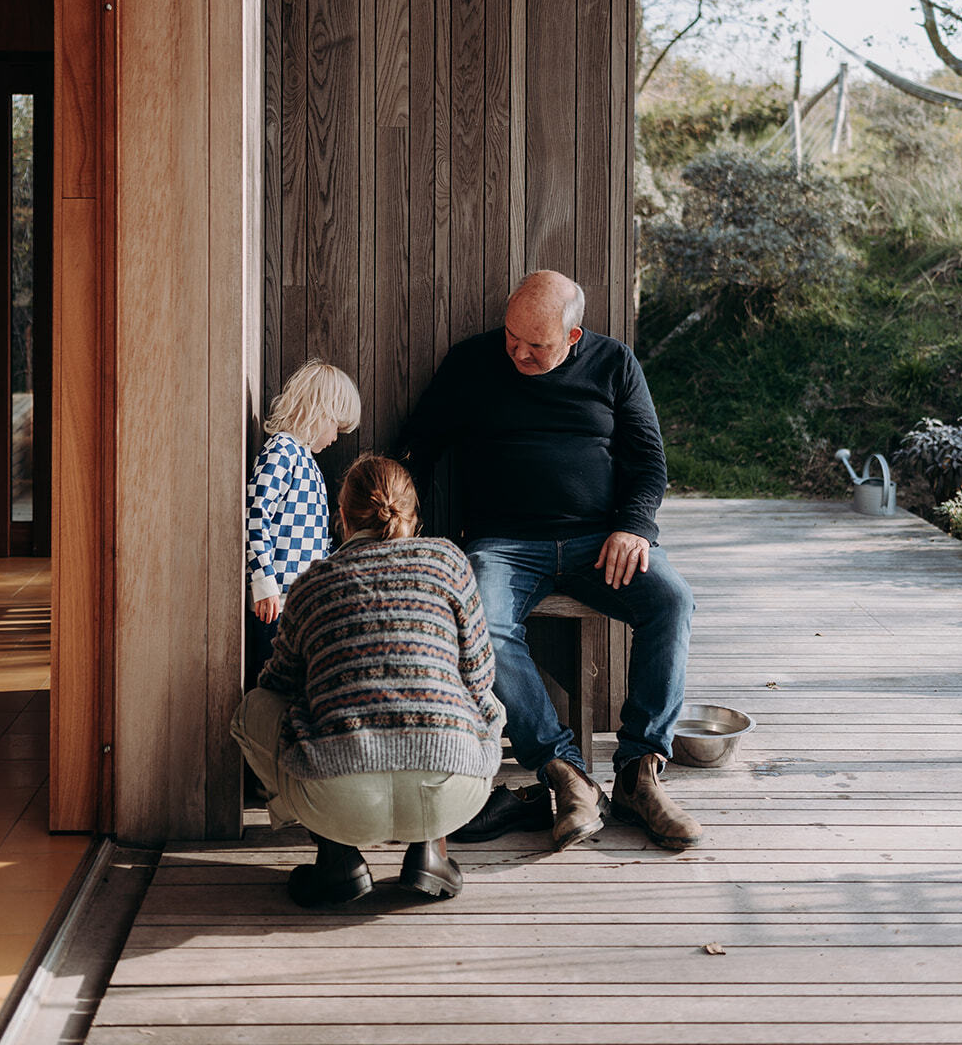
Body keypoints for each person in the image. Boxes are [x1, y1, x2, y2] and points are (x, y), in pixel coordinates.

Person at [401, 269, 701, 853]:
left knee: (672, 600)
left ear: (573, 335)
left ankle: (641, 771)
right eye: (511, 336)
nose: (517, 352)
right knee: (481, 619)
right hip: (503, 543)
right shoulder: (471, 362)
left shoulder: (614, 364)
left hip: (600, 542)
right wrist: (400, 530)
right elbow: (418, 446)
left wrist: (633, 528)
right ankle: (565, 772)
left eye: (535, 345)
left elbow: (648, 464)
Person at [231, 454, 503, 907]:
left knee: (252, 710)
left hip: (337, 799)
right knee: (486, 701)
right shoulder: (448, 562)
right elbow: (479, 675)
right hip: (451, 790)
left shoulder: (312, 583)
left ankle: (337, 858)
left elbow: (276, 685)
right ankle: (431, 852)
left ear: (342, 515)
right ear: (414, 514)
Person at [244, 358, 361, 685]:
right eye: (336, 425)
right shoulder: (282, 451)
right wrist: (263, 582)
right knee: (275, 683)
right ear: (320, 412)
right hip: (274, 604)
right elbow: (256, 513)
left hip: (299, 606)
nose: (337, 437)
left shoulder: (307, 462)